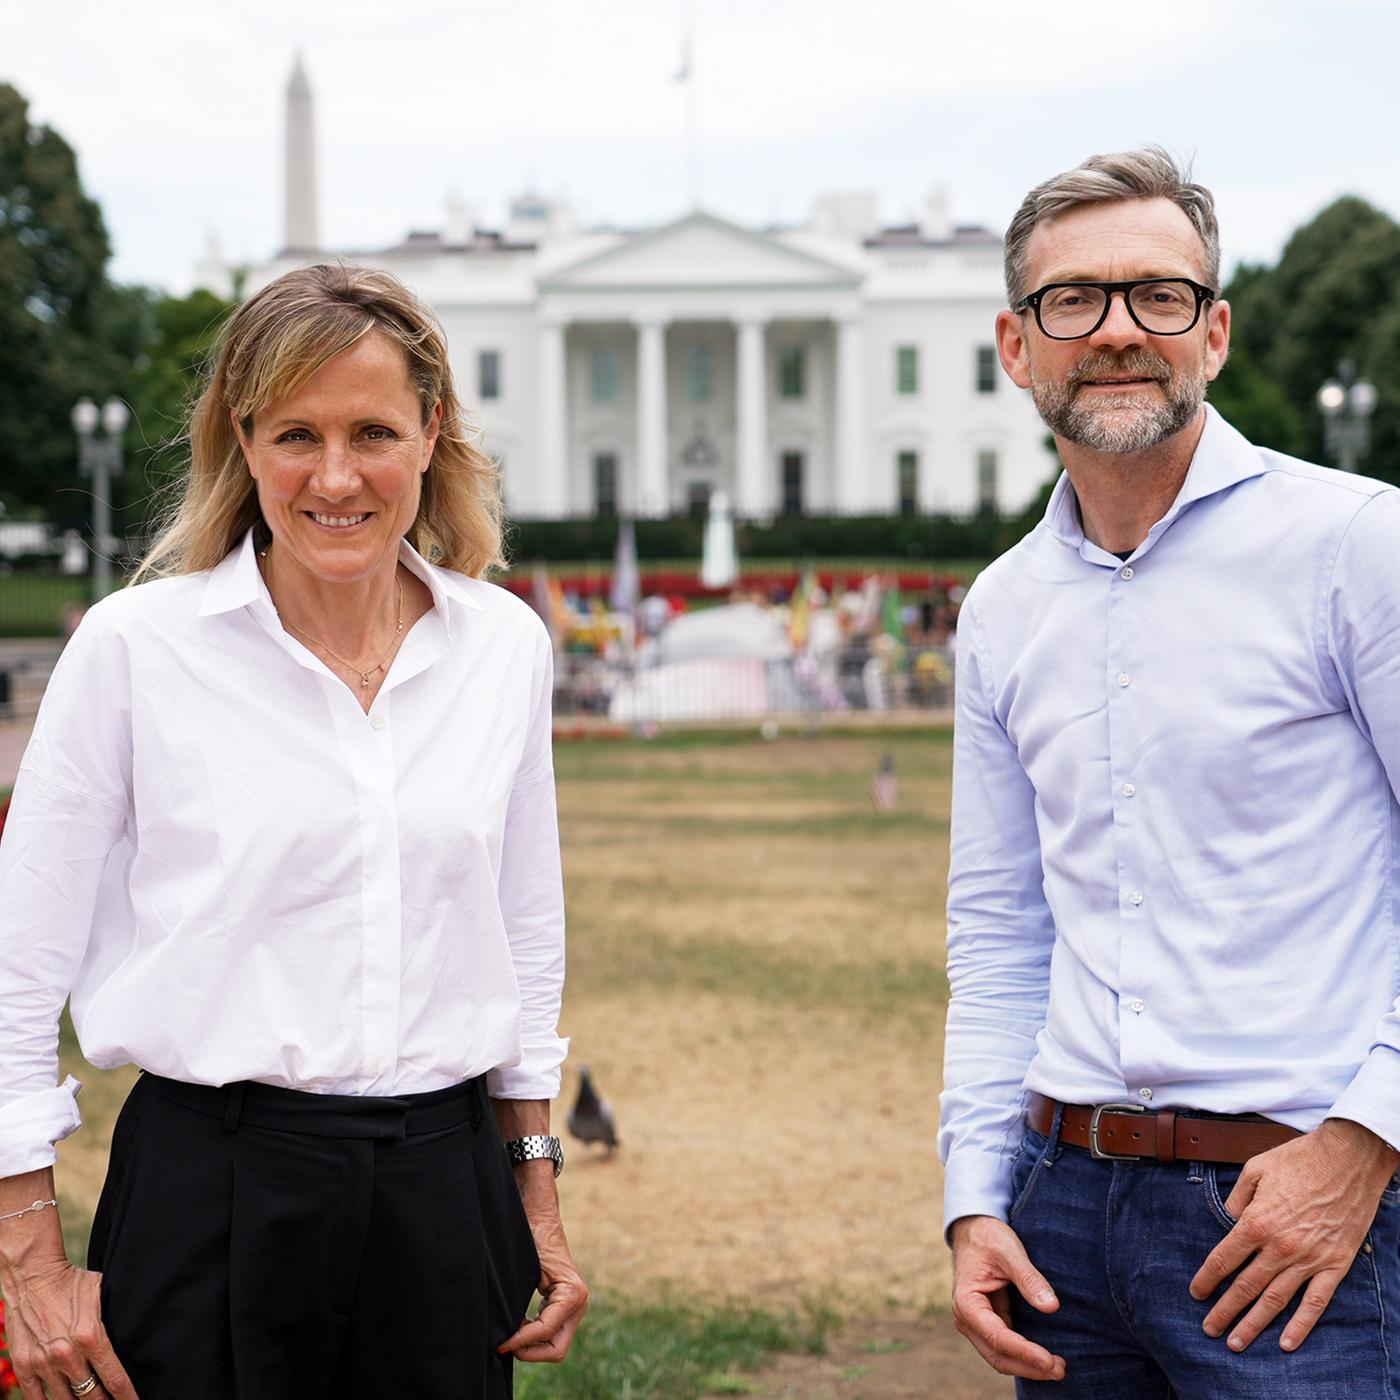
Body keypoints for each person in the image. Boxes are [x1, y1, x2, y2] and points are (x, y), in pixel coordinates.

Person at [0, 263, 588, 1399]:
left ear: (430, 430)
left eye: (370, 430)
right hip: (208, 1191)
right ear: (242, 437)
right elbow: (15, 969)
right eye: (293, 434)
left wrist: (537, 1195)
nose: (334, 476)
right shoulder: (135, 649)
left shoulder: (500, 649)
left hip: (440, 1195)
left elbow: (522, 939)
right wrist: (28, 1251)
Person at [939, 147, 1400, 1396]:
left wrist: (1366, 1141)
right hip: (1061, 1210)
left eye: (1157, 295)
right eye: (1072, 300)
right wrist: (972, 1192)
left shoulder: (1354, 543)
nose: (1117, 331)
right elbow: (998, 929)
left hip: (1295, 1208)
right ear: (1014, 343)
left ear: (1214, 330)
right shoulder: (1000, 607)